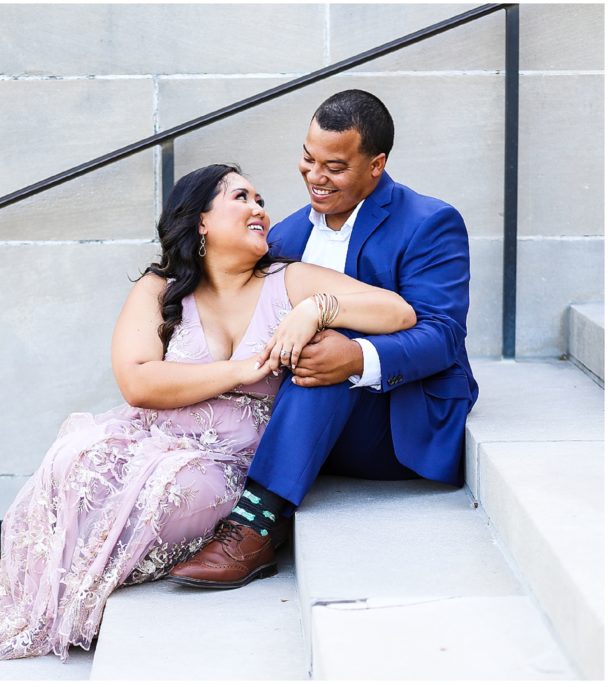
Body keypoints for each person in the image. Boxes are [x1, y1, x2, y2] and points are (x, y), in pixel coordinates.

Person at [0, 162, 417, 660]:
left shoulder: (291, 280)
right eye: (241, 197)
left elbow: (398, 311)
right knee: (76, 456)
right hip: (143, 434)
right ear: (201, 222)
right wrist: (239, 372)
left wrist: (317, 307)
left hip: (224, 467)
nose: (259, 208)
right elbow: (138, 381)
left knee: (169, 487)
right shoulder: (160, 287)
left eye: (260, 198)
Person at [168, 89, 480, 588]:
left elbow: (442, 336)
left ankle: (258, 523)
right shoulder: (285, 237)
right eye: (308, 159)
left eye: (334, 167)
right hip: (301, 422)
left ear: (376, 165)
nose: (315, 176)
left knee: (334, 337)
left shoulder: (429, 223)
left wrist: (356, 358)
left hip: (397, 422)